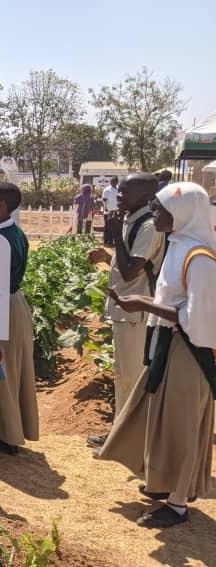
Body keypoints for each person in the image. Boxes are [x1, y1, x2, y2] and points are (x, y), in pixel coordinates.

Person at [97, 182, 216, 528]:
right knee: (164, 418)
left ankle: (177, 503)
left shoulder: (200, 259)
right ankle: (164, 483)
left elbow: (198, 319)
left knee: (182, 425)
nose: (154, 214)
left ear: (181, 213)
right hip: (169, 344)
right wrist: (145, 305)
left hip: (189, 352)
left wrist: (144, 304)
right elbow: (173, 302)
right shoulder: (179, 246)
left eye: (160, 208)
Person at [88, 173, 165, 448]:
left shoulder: (148, 226)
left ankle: (127, 440)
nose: (118, 196)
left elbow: (131, 271)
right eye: (118, 191)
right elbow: (132, 265)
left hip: (136, 313)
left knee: (131, 376)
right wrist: (107, 256)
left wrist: (116, 236)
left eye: (124, 192)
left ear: (145, 196)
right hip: (126, 311)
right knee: (124, 375)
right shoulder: (133, 220)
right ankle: (120, 434)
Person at [0, 182, 40, 454]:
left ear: (2, 206)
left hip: (2, 307)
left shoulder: (0, 240)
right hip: (13, 305)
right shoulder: (12, 233)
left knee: (1, 372)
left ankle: (6, 435)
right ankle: (7, 431)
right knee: (10, 370)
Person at [102, 177, 120, 245]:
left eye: (115, 182)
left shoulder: (118, 189)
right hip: (108, 212)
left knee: (115, 227)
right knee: (108, 227)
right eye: (112, 182)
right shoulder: (107, 190)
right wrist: (105, 207)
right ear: (110, 182)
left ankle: (112, 241)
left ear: (117, 182)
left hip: (116, 211)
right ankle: (106, 241)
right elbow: (104, 200)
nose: (113, 183)